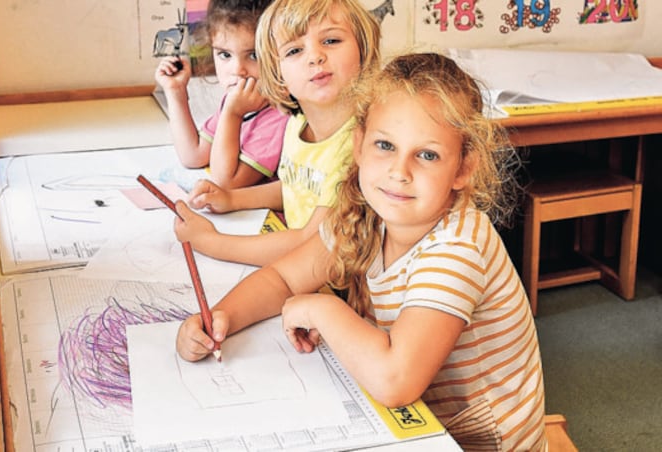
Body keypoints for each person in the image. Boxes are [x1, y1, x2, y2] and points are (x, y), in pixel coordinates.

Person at [176, 53, 547, 451]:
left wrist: (321, 309)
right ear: (359, 144)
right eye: (385, 145)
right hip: (418, 422)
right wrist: (221, 317)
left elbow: (395, 380)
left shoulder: (458, 247)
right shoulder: (365, 210)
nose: (399, 172)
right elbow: (283, 277)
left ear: (463, 168)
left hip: (479, 442)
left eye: (427, 155)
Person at [173, 0, 381, 267]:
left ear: (364, 50)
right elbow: (297, 187)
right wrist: (232, 199)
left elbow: (311, 241)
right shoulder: (298, 124)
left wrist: (211, 242)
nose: (315, 56)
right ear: (277, 75)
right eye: (294, 50)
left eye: (330, 40)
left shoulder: (359, 144)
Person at [155, 0, 288, 189]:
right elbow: (194, 155)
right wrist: (176, 91)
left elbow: (225, 182)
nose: (237, 70)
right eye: (225, 55)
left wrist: (233, 114)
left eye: (254, 56)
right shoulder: (236, 101)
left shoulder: (280, 117)